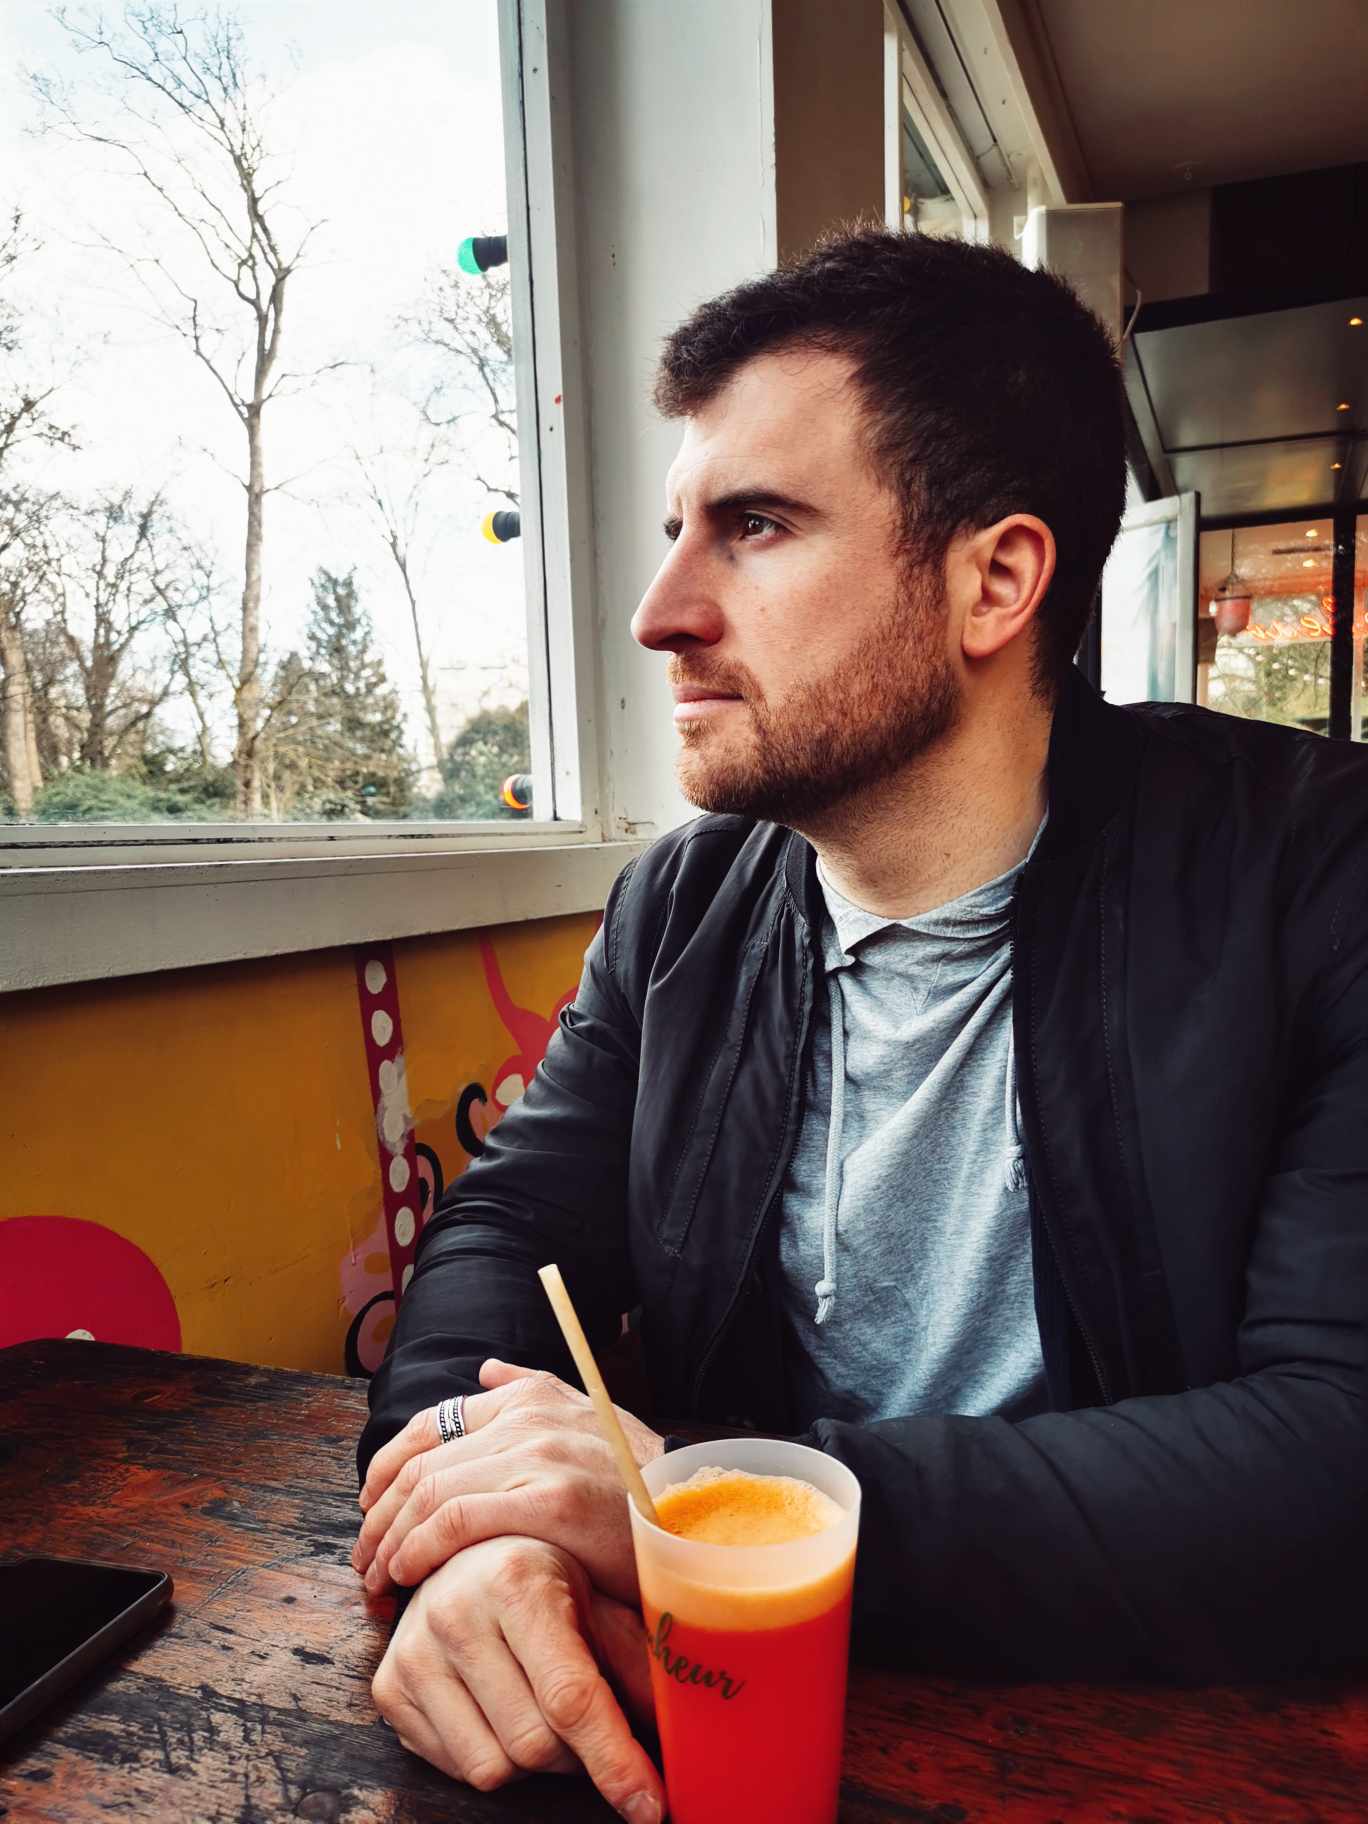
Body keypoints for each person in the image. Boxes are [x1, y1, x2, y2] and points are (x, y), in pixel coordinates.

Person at [350, 227, 1368, 1820]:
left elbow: (1335, 1455)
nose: (659, 613)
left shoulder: (1311, 871)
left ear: (994, 581)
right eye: (677, 530)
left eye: (753, 526)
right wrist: (475, 1540)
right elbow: (507, 1229)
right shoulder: (681, 906)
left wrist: (693, 1507)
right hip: (737, 1729)